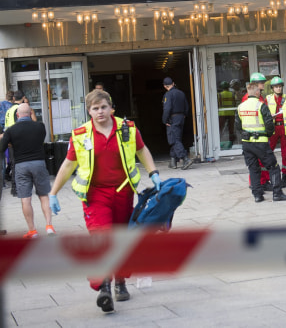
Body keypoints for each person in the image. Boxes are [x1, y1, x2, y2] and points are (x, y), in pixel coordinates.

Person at [48, 89, 161, 313]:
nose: (100, 112)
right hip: (95, 196)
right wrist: (53, 192)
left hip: (123, 192)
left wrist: (154, 172)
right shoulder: (81, 134)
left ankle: (120, 281)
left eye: (103, 107)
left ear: (111, 108)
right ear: (89, 111)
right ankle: (104, 287)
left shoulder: (127, 128)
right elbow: (68, 164)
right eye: (95, 108)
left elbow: (142, 150)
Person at [0, 103, 54, 238]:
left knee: (25, 199)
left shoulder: (11, 130)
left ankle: (32, 230)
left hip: (21, 166)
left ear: (17, 115)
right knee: (44, 195)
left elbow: (2, 147)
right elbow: (39, 139)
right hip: (39, 163)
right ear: (30, 113)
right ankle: (49, 226)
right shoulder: (40, 127)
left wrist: (12, 142)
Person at [236, 73, 286, 203]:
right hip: (260, 142)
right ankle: (277, 193)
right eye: (261, 85)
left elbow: (237, 126)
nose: (263, 87)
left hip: (247, 143)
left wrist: (246, 134)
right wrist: (267, 134)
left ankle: (257, 195)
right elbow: (269, 124)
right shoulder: (260, 104)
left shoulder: (240, 106)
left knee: (253, 169)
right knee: (273, 166)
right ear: (256, 90)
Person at [266, 76, 286, 187]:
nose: (278, 89)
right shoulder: (268, 99)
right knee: (268, 152)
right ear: (272, 88)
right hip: (273, 129)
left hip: (285, 129)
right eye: (276, 87)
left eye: (280, 86)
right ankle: (268, 177)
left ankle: (285, 177)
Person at [162, 77, 191, 169]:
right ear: (173, 83)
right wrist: (184, 115)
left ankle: (185, 158)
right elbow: (186, 106)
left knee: (174, 139)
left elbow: (167, 108)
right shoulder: (181, 93)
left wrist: (165, 120)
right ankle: (173, 161)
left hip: (173, 118)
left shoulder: (168, 95)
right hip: (181, 117)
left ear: (165, 86)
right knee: (177, 138)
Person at [217, 80, 237, 145]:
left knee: (221, 128)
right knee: (231, 129)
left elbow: (218, 104)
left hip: (222, 114)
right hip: (231, 113)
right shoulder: (232, 94)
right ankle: (232, 142)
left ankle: (219, 141)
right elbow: (234, 103)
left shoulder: (219, 95)